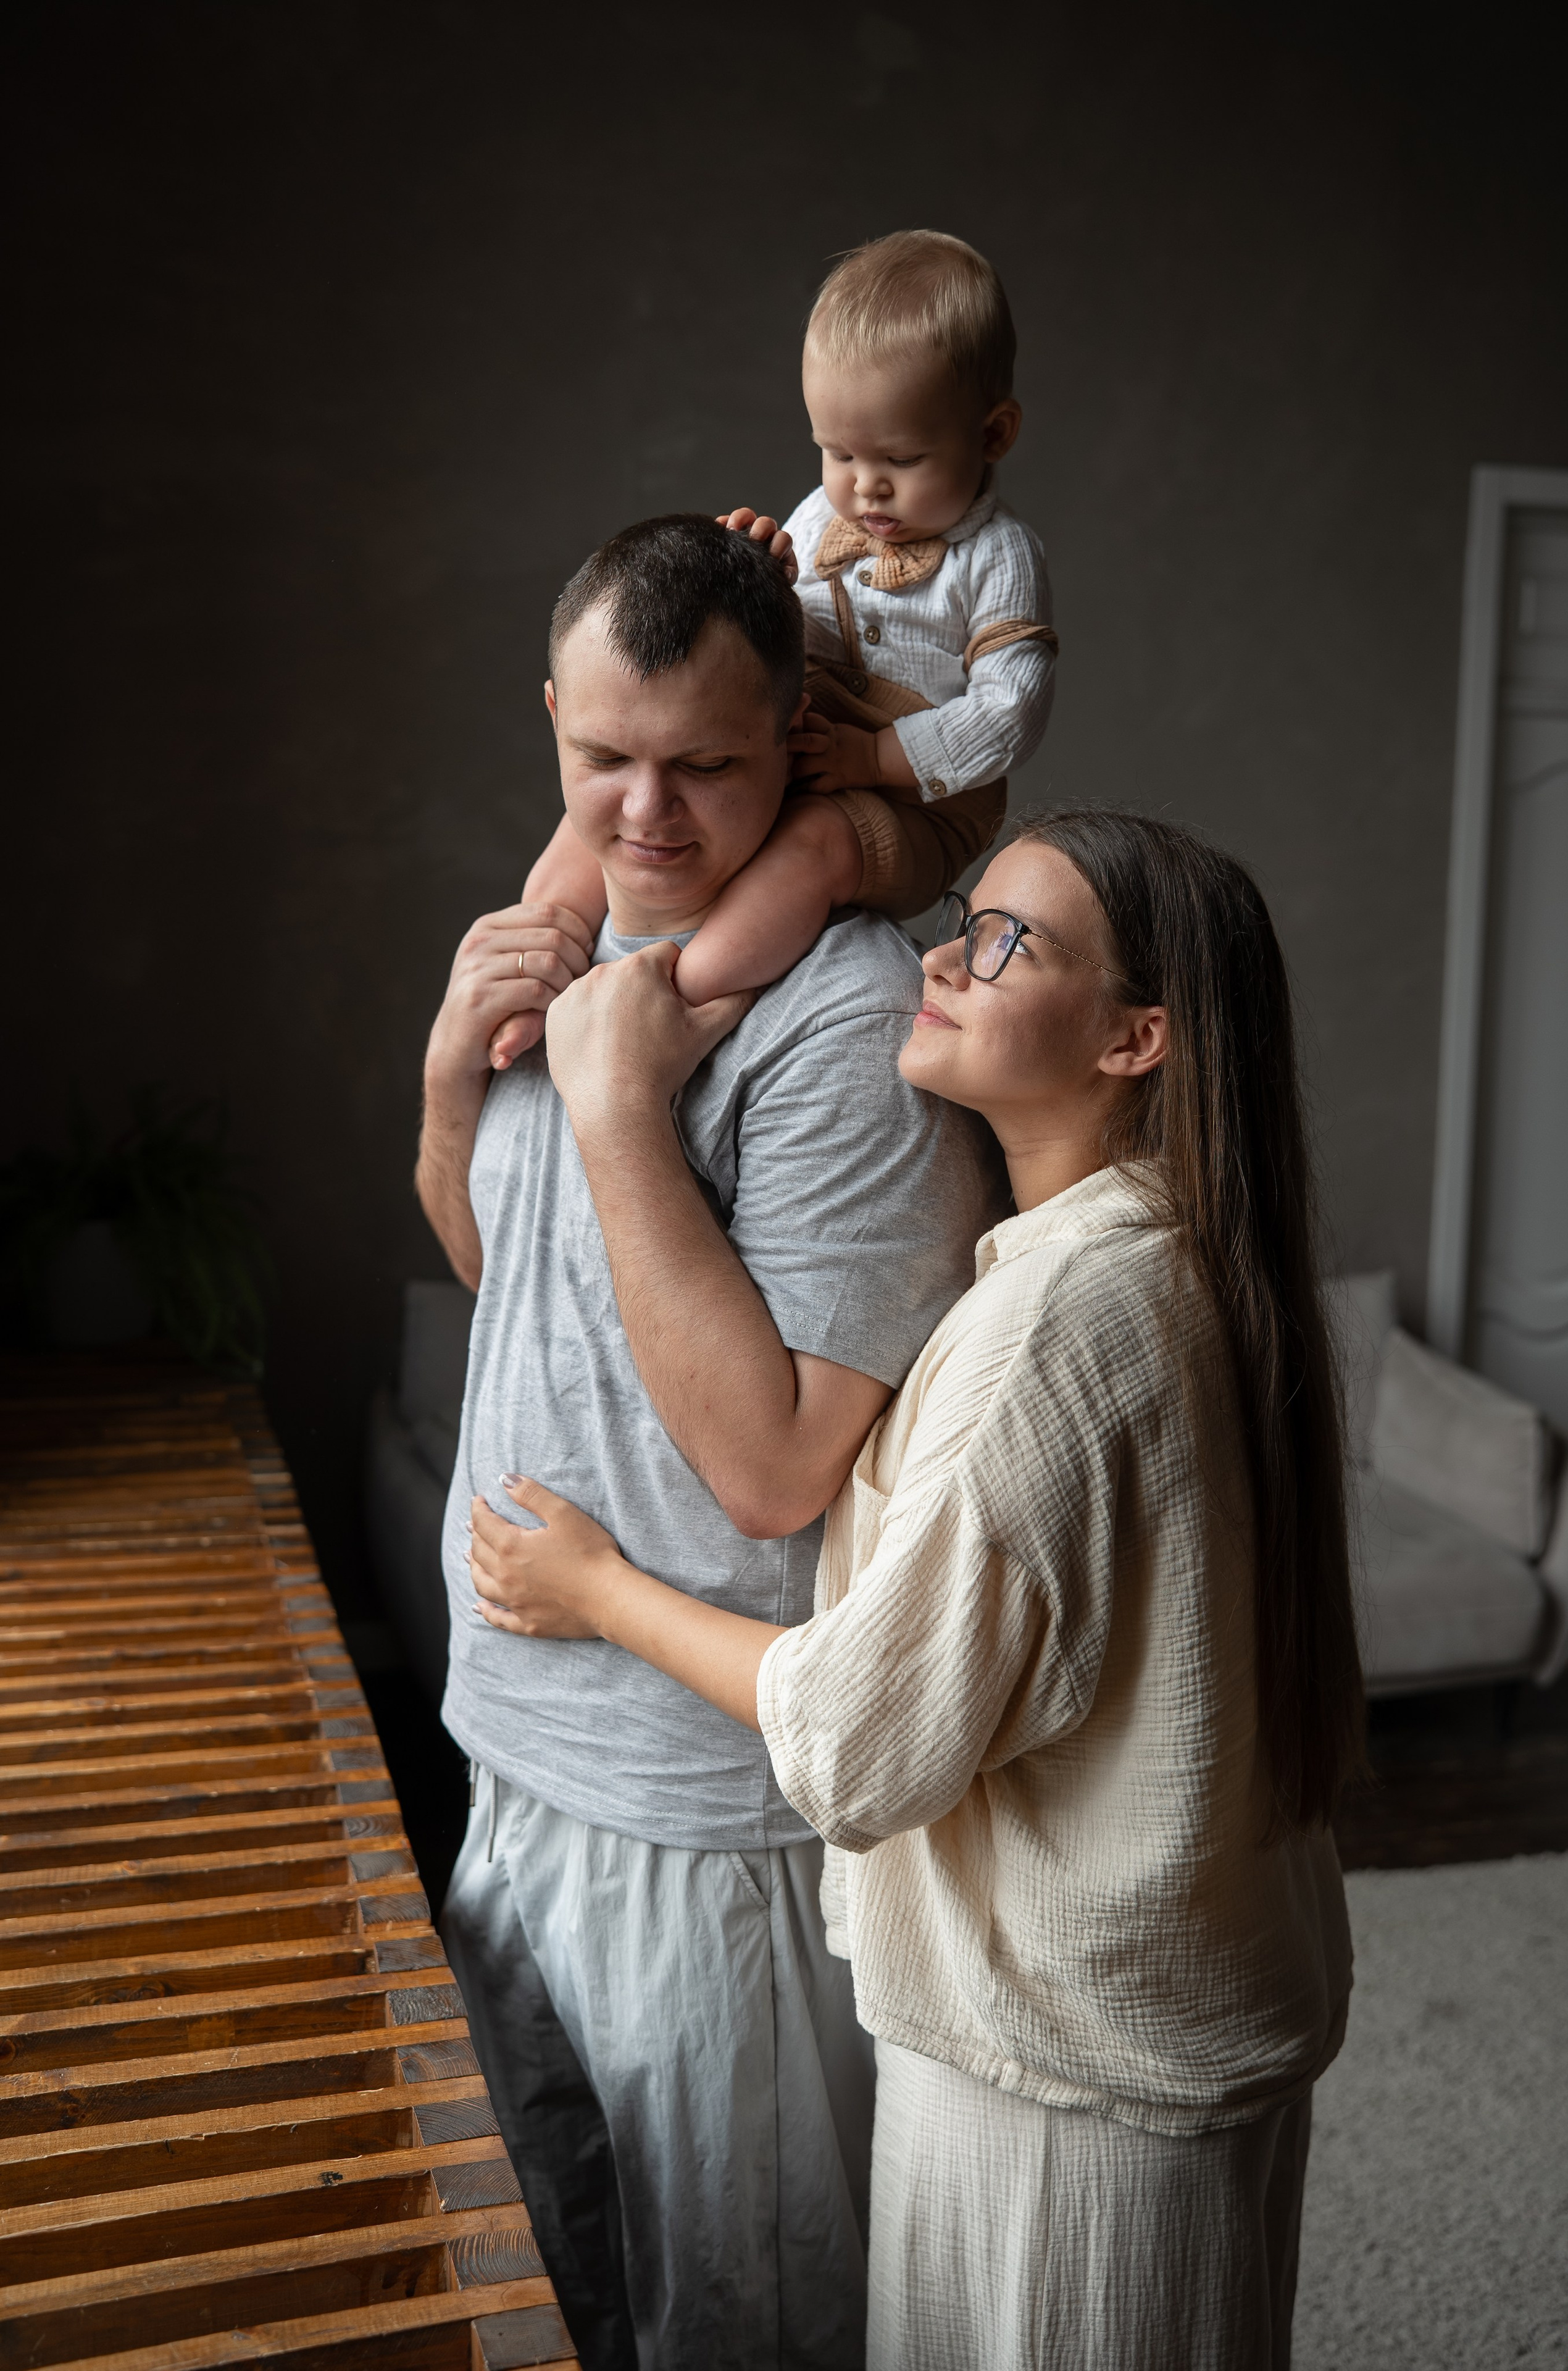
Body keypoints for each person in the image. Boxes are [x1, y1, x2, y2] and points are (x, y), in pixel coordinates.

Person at [465, 808, 1366, 2371]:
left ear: (1135, 1036)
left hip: (1069, 2081)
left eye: (1006, 942)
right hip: (1155, 2025)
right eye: (968, 914)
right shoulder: (1170, 1265)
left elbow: (856, 1743)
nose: (939, 957)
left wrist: (597, 1589)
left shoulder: (1056, 1332)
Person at [415, 513, 1004, 2371]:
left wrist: (612, 1106)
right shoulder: (567, 936)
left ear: (799, 748)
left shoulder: (843, 1031)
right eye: (605, 759)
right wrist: (455, 1076)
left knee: (730, 2327)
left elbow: (774, 1470)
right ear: (553, 721)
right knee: (542, 2293)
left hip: (702, 1829)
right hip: (508, 1744)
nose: (646, 813)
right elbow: (502, 1268)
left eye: (707, 766)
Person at [486, 228, 1056, 1066]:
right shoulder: (830, 517)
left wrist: (873, 757)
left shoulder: (999, 559)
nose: (866, 486)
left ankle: (668, 1000)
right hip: (799, 736)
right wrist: (760, 572)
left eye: (901, 458)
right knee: (604, 802)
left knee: (813, 844)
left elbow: (1011, 715)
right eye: (838, 453)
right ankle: (535, 970)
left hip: (913, 799)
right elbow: (766, 643)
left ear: (995, 433)